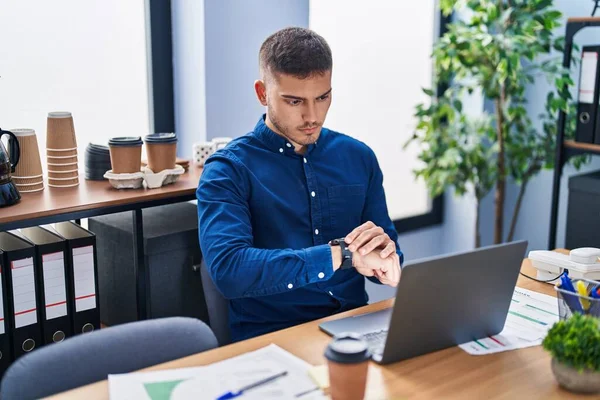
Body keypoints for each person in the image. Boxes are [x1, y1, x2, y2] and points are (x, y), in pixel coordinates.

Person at [197, 27, 403, 342]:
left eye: (323, 97)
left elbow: (390, 253)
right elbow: (229, 271)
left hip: (356, 329)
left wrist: (387, 263)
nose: (312, 115)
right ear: (263, 93)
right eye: (294, 101)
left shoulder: (359, 157)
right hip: (272, 339)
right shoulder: (227, 170)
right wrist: (341, 254)